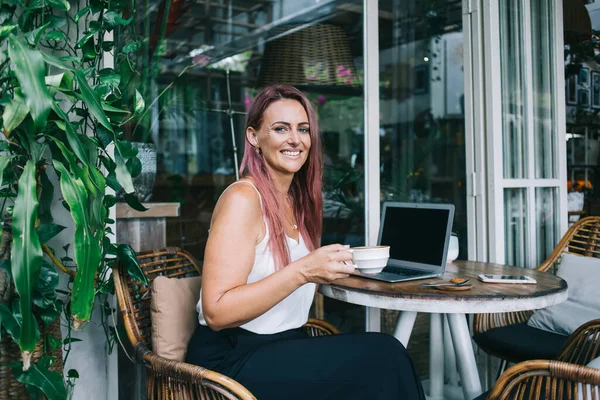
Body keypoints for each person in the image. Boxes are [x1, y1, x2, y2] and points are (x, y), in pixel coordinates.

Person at [186, 84, 425, 399]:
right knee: (384, 355)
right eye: (281, 128)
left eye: (303, 129)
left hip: (284, 345)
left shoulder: (296, 202)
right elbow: (217, 313)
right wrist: (304, 270)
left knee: (384, 357)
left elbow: (294, 273)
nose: (295, 139)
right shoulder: (243, 198)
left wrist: (339, 265)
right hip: (232, 358)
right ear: (253, 137)